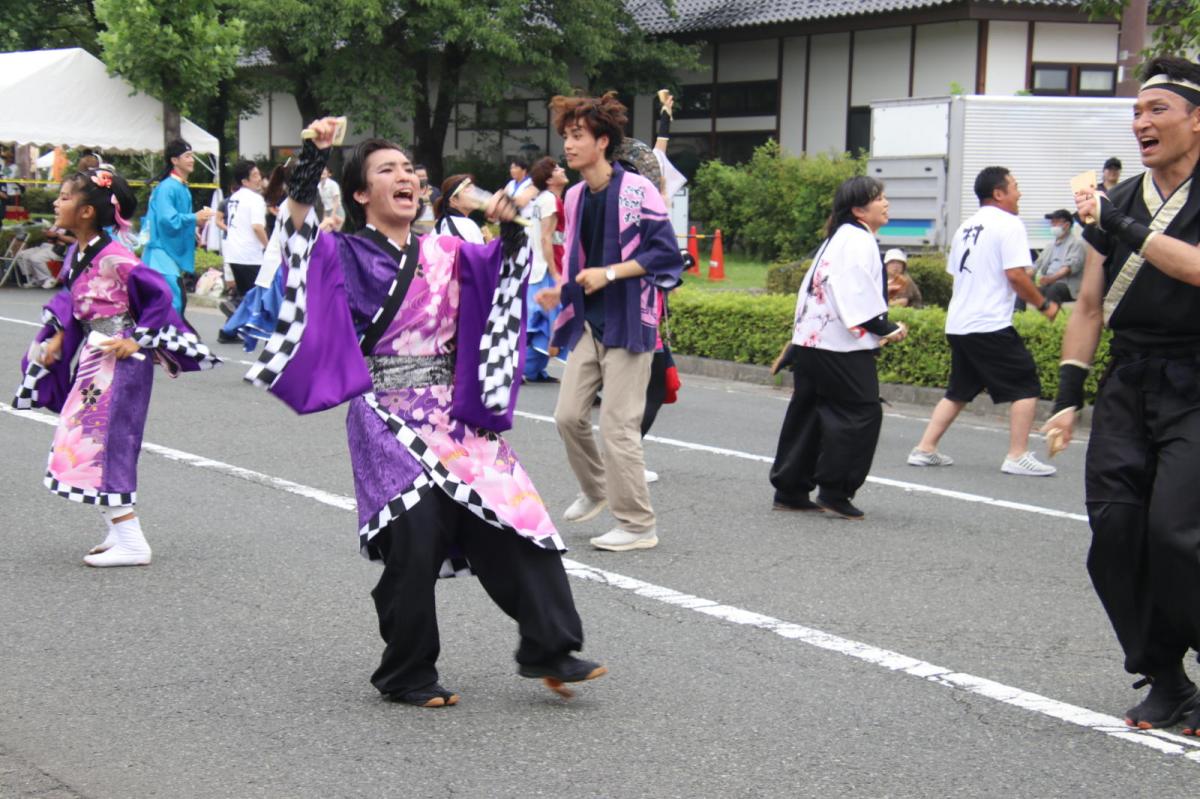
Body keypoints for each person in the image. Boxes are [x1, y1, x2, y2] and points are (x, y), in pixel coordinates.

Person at [244, 119, 605, 707]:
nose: (406, 177)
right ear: (361, 194)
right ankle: (405, 672)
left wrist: (511, 233)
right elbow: (295, 233)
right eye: (387, 170)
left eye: (409, 169)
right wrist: (313, 156)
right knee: (416, 533)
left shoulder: (447, 251)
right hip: (386, 412)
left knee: (515, 517)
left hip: (454, 415)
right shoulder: (343, 252)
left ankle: (550, 647)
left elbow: (501, 279)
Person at [1043, 56, 1200, 733]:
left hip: (1197, 381)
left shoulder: (1126, 213)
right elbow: (1088, 303)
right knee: (1113, 529)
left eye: (1157, 110)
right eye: (1136, 112)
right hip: (1129, 381)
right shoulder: (1124, 198)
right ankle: (1162, 673)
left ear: (1197, 118)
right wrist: (1068, 393)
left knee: (1177, 533)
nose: (1141, 123)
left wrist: (1123, 226)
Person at [11, 166, 219, 567]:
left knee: (102, 443)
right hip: (98, 356)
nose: (56, 202)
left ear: (88, 211)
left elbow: (160, 295)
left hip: (119, 361)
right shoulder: (81, 251)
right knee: (86, 439)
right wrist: (57, 337)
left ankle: (131, 539)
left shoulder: (117, 257)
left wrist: (137, 338)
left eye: (65, 197)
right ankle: (117, 529)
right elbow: (71, 302)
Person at [534, 92, 684, 552]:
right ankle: (598, 488)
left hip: (629, 322)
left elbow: (666, 255)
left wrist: (611, 273)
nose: (569, 145)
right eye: (566, 136)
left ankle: (638, 525)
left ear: (602, 142)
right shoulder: (576, 195)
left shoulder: (638, 191)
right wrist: (564, 291)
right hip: (590, 322)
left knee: (618, 426)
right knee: (567, 416)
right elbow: (583, 255)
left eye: (577, 136)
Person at [769, 177, 908, 520]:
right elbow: (853, 293)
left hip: (811, 341)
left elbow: (819, 289)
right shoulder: (858, 240)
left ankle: (790, 488)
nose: (886, 203)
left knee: (809, 412)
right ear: (860, 209)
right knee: (861, 413)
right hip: (839, 345)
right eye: (880, 198)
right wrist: (886, 327)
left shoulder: (838, 238)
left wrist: (795, 342)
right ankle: (834, 490)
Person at [907, 166, 1060, 476]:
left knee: (961, 389)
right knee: (1026, 383)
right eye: (1015, 187)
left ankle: (925, 449)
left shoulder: (965, 227)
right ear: (999, 194)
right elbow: (1015, 275)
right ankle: (1017, 455)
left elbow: (964, 274)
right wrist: (1043, 304)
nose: (1020, 193)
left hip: (960, 322)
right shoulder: (1009, 224)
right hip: (988, 322)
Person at [142, 139, 215, 314]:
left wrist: (194, 225)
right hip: (160, 255)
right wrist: (193, 218)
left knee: (172, 304)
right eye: (187, 156)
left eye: (192, 156)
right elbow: (167, 220)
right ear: (175, 160)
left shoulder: (178, 186)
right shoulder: (168, 187)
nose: (192, 160)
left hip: (165, 255)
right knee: (172, 305)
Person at [523, 157, 567, 383]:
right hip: (547, 268)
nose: (563, 170)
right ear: (550, 179)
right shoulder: (549, 200)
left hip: (541, 266)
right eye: (558, 169)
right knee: (550, 320)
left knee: (544, 321)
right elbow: (546, 237)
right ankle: (527, 368)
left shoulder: (545, 199)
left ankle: (533, 370)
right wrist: (555, 271)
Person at [223, 160, 269, 301]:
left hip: (233, 254)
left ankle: (237, 311)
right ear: (245, 181)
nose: (259, 178)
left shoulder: (234, 198)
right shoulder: (255, 199)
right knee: (257, 298)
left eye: (258, 174)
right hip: (250, 256)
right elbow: (257, 227)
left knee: (245, 296)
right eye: (254, 175)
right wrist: (268, 247)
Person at [1031, 209, 1086, 305]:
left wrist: (1051, 279)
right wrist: (1023, 277)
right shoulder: (1050, 246)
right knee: (1025, 290)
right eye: (1052, 223)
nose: (1052, 225)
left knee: (1054, 289)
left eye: (1055, 222)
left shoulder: (1076, 244)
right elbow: (1036, 265)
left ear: (1067, 225)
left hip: (1068, 286)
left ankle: (1050, 315)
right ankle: (1018, 313)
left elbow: (1069, 268)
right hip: (1049, 283)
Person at [432, 174, 486, 244]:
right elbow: (481, 254)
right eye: (467, 189)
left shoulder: (440, 224)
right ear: (454, 200)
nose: (474, 193)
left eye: (473, 188)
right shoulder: (466, 225)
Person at [318, 166, 344, 231]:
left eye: (325, 170)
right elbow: (324, 204)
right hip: (327, 212)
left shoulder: (333, 184)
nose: (323, 171)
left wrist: (332, 216)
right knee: (325, 232)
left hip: (337, 212)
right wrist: (324, 218)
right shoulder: (318, 186)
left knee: (331, 233)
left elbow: (336, 202)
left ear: (328, 174)